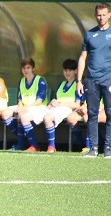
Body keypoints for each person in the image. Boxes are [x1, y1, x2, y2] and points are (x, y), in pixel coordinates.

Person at [76, 3, 111, 158]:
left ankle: (108, 149)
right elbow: (83, 58)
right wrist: (79, 80)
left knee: (110, 113)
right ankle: (93, 149)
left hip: (109, 80)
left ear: (109, 14)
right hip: (91, 80)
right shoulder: (89, 35)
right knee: (92, 114)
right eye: (98, 15)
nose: (101, 17)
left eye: (104, 14)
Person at [0, 57, 48, 152]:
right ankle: (23, 139)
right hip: (25, 106)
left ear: (33, 68)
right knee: (5, 113)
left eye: (28, 68)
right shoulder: (21, 81)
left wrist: (24, 109)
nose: (26, 70)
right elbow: (20, 99)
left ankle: (31, 145)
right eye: (24, 68)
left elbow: (40, 101)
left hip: (38, 107)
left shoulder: (40, 80)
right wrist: (19, 107)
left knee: (21, 115)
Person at [41, 59, 81, 153]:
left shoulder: (78, 85)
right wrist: (52, 103)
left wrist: (60, 104)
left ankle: (51, 147)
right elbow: (55, 99)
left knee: (48, 118)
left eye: (70, 70)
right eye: (65, 70)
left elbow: (78, 104)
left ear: (75, 71)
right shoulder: (60, 84)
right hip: (57, 109)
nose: (67, 72)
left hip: (68, 110)